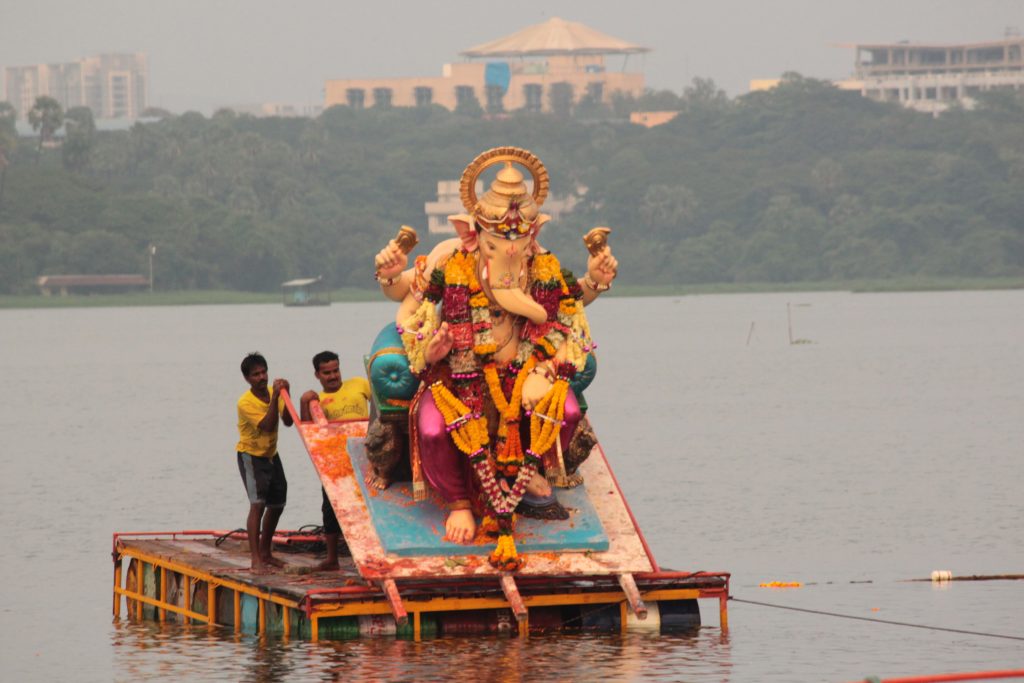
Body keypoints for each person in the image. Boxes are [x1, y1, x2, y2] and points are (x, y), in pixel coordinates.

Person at [371, 147, 617, 571]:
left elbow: (569, 305)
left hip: (524, 372)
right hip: (457, 375)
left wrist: (595, 280)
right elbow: (403, 294)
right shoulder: (451, 258)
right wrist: (392, 274)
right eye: (493, 243)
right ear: (471, 234)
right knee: (434, 431)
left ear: (533, 235)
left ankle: (532, 473)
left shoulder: (542, 265)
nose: (506, 251)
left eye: (517, 243)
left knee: (567, 408)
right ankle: (458, 501)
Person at [300, 350, 371, 570]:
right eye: (327, 373)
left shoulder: (359, 384)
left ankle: (369, 554)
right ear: (317, 375)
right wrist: (305, 402)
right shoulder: (317, 401)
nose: (333, 376)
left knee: (368, 506)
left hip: (366, 455)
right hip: (335, 461)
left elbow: (381, 400)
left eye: (335, 370)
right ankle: (332, 559)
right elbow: (308, 430)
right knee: (330, 508)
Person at [236, 352, 293, 573]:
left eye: (263, 372)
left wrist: (286, 394)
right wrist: (277, 397)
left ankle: (267, 552)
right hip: (251, 456)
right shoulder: (245, 403)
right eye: (255, 375)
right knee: (257, 504)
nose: (261, 377)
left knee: (278, 503)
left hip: (271, 454)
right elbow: (268, 425)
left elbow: (287, 421)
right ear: (247, 379)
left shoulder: (273, 393)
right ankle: (255, 560)